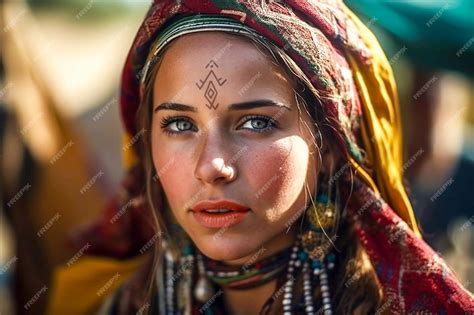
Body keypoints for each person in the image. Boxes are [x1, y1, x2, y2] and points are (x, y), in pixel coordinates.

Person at [47, 1, 474, 314]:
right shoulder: (98, 305)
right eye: (179, 125)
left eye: (256, 122)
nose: (211, 166)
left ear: (330, 147)